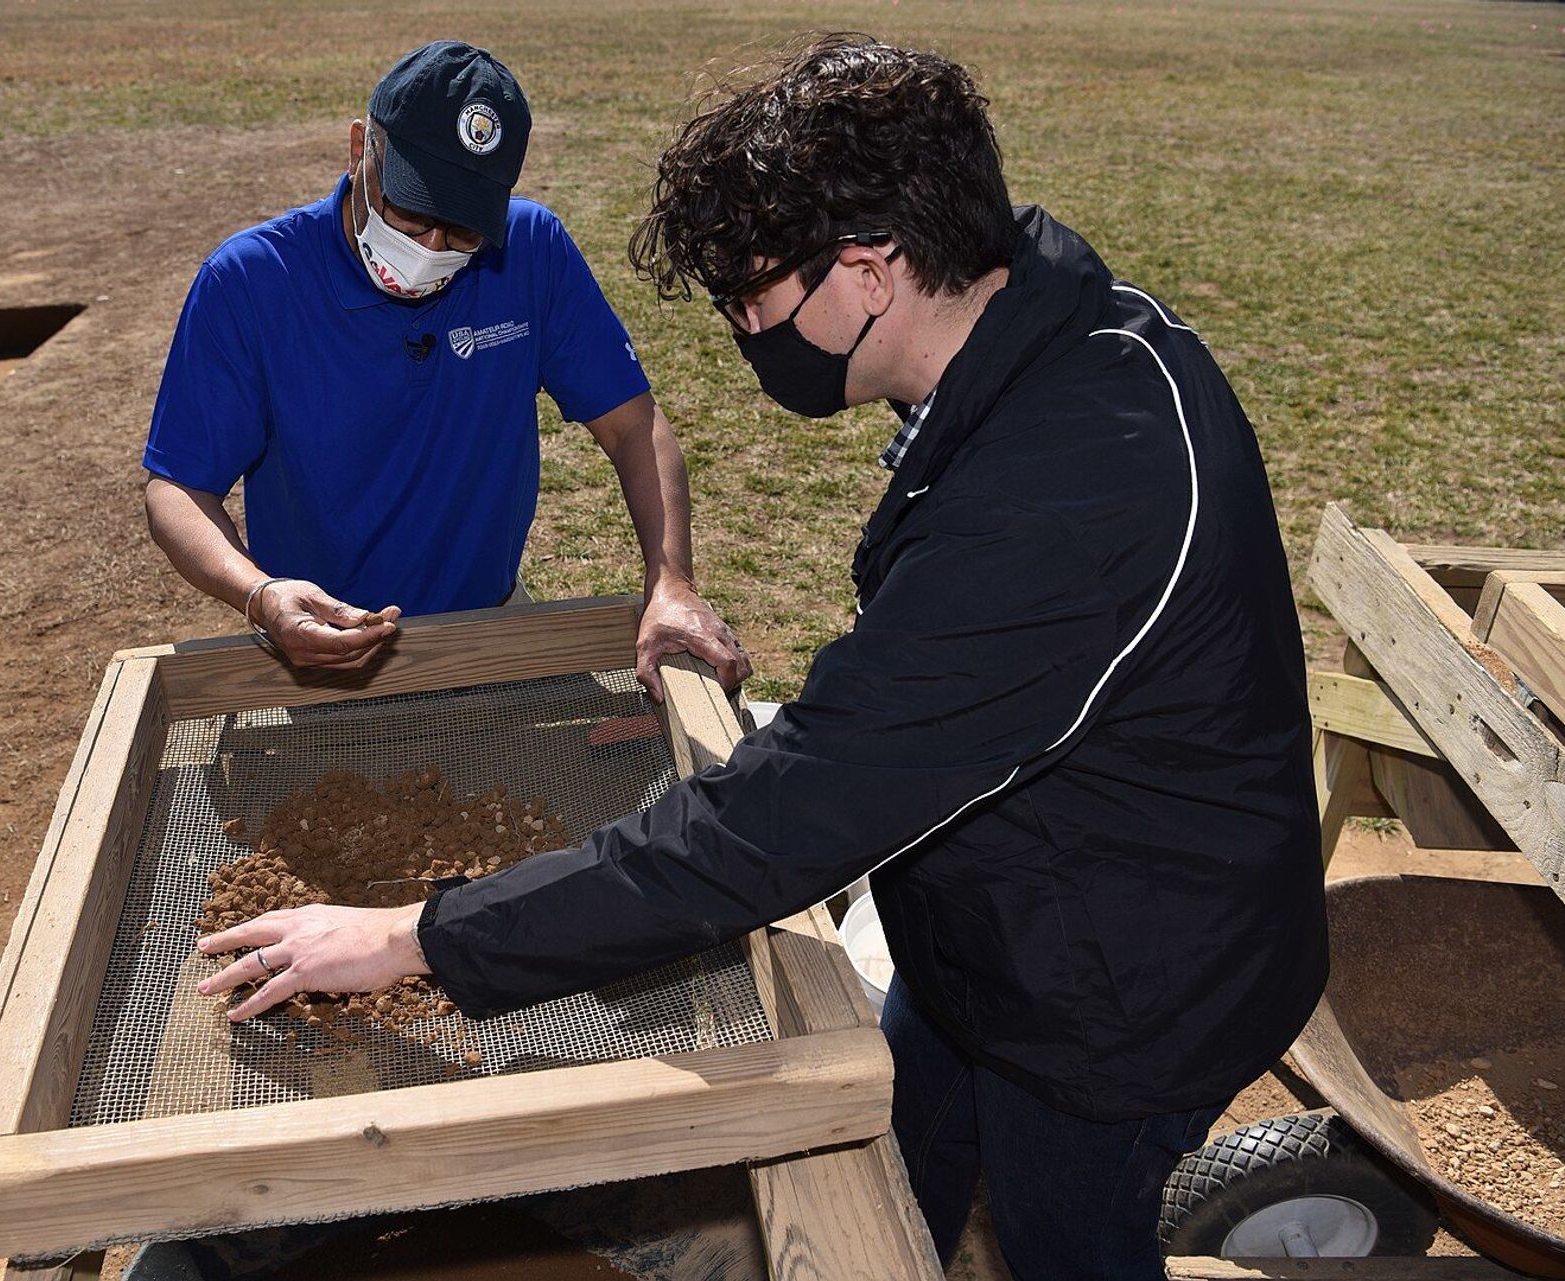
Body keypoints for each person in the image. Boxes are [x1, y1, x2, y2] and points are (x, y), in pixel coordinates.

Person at [194, 36, 1328, 1279]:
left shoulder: (1065, 496)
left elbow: (770, 829)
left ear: (869, 270)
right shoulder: (1055, 342)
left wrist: (421, 937)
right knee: (893, 1176)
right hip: (994, 940)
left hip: (1128, 997)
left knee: (1067, 1234)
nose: (745, 332)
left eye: (753, 300)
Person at [142, 39, 748, 699]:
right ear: (359, 150)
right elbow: (176, 489)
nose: (431, 249)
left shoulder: (531, 251)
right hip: (320, 654)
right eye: (412, 211)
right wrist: (261, 596)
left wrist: (671, 584)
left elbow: (635, 428)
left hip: (490, 628)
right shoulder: (252, 282)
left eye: (462, 230)